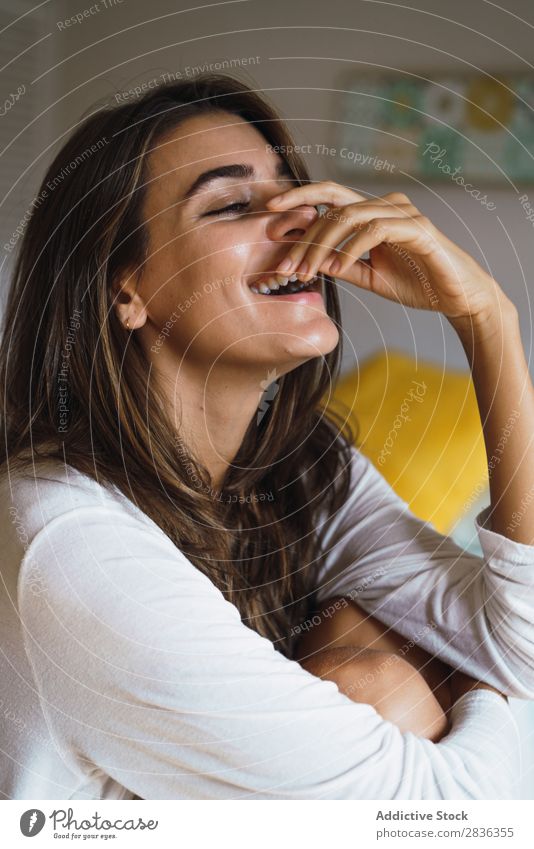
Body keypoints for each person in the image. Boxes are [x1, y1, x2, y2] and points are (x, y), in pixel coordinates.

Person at [0, 73, 532, 801]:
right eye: (230, 205)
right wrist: (472, 681)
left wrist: (486, 318)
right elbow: (449, 813)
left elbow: (525, 648)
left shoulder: (306, 469)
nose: (299, 220)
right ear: (126, 289)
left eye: (291, 193)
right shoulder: (70, 541)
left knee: (376, 682)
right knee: (382, 689)